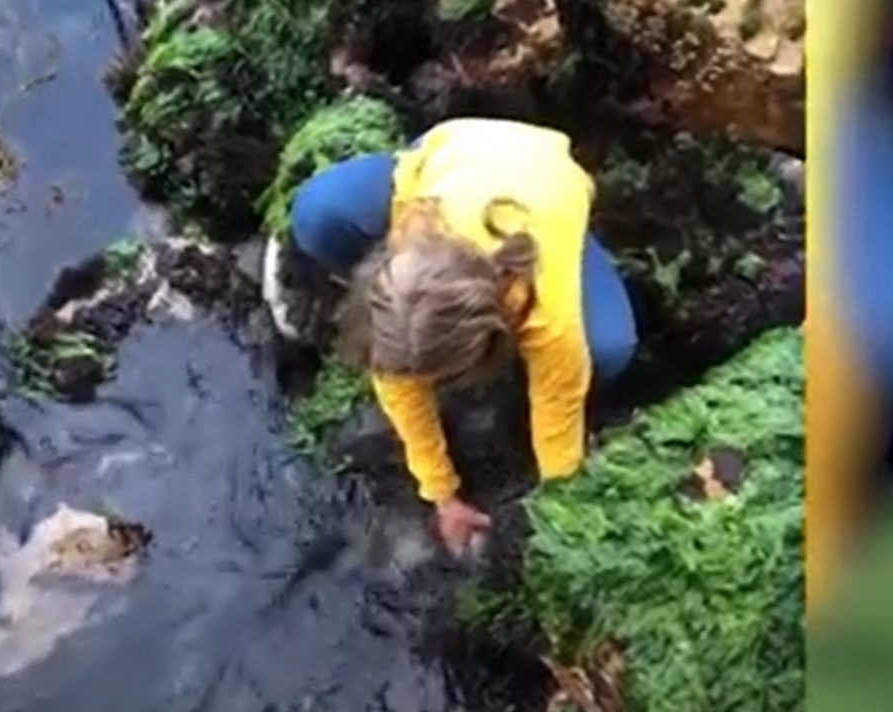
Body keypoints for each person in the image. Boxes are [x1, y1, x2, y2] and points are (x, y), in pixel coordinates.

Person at [263, 118, 639, 555]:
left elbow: (558, 421)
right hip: (454, 152)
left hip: (551, 177)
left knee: (611, 349)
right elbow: (397, 382)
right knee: (317, 213)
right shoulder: (414, 229)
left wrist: (562, 516)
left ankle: (591, 252)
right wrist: (441, 493)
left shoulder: (549, 316)